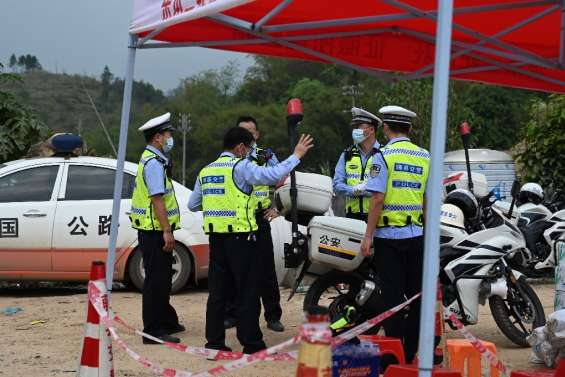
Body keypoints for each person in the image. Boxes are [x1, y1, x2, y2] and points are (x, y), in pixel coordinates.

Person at [188, 127, 313, 354]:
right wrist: (296, 155)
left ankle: (214, 344)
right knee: (247, 291)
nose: (250, 154)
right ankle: (252, 344)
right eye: (249, 149)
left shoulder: (206, 170)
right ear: (240, 147)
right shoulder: (241, 166)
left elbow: (193, 204)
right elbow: (272, 176)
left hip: (216, 240)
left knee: (218, 293)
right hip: (242, 239)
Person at [360, 105, 430, 363]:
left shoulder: (382, 156)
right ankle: (411, 350)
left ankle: (394, 355)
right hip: (417, 236)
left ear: (386, 128)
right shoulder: (424, 156)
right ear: (410, 128)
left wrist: (368, 236)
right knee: (416, 296)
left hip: (388, 238)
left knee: (392, 298)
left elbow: (377, 198)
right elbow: (426, 197)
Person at [223, 116, 285, 333]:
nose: (247, 135)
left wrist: (277, 208)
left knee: (266, 270)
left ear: (257, 135)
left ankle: (273, 315)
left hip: (259, 219)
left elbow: (282, 180)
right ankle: (231, 314)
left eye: (250, 132)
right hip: (237, 221)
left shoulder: (265, 155)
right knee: (234, 270)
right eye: (242, 131)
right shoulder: (231, 158)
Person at [130, 112, 184, 344]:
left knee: (161, 279)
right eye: (168, 134)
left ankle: (167, 320)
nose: (171, 137)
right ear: (157, 138)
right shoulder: (153, 163)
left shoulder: (155, 160)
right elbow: (157, 199)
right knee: (156, 281)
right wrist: (167, 231)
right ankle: (153, 331)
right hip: (154, 231)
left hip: (153, 229)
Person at [333, 107, 382, 222]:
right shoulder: (347, 154)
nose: (355, 130)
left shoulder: (384, 154)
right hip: (352, 217)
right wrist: (353, 190)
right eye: (354, 127)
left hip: (377, 217)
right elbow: (336, 185)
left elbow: (387, 188)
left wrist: (366, 190)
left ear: (371, 130)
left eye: (358, 126)